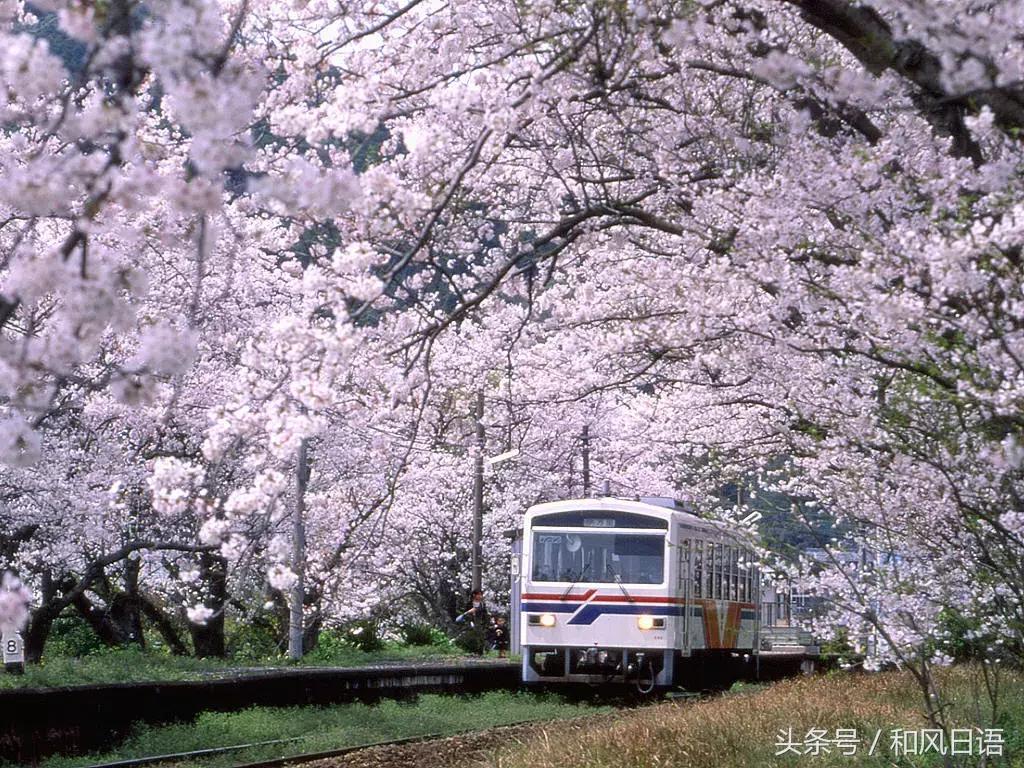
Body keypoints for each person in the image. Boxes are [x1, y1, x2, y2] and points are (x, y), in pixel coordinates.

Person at [455, 589, 489, 654]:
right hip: (470, 621)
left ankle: (480, 652)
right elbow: (465, 612)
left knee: (480, 636)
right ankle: (471, 650)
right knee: (472, 636)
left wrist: (485, 622)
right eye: (478, 594)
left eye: (481, 595)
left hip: (479, 622)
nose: (480, 596)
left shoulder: (482, 604)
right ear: (474, 595)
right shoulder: (469, 603)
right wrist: (469, 612)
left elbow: (485, 614)